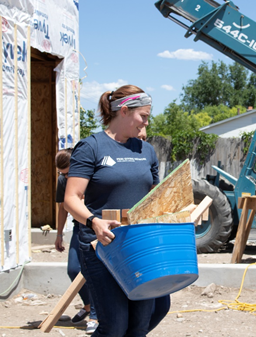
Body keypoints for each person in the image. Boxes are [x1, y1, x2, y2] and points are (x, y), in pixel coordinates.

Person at [64, 85, 169, 337]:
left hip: (139, 247)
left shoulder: (146, 151)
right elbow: (71, 198)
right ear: (124, 111)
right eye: (143, 116)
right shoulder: (91, 147)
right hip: (102, 247)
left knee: (139, 326)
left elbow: (154, 198)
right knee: (114, 327)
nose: (146, 122)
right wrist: (94, 222)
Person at [54, 149, 99, 334]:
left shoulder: (92, 175)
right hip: (79, 227)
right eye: (61, 173)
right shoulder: (63, 180)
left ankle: (95, 316)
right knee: (74, 269)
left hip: (97, 227)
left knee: (95, 272)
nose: (64, 176)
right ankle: (88, 306)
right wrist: (58, 234)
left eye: (67, 172)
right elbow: (63, 207)